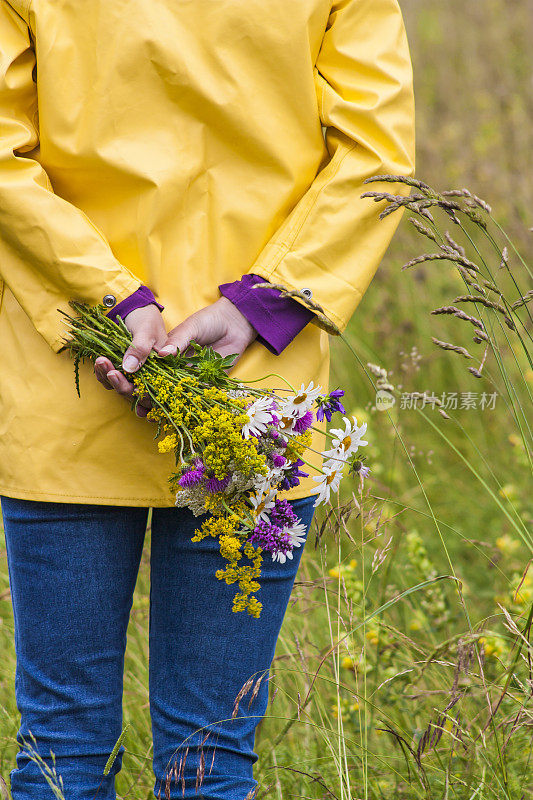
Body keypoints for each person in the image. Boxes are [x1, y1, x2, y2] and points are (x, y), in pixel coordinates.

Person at [0, 0, 415, 797]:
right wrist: (263, 302)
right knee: (209, 756)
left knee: (62, 746)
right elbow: (374, 156)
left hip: (76, 383)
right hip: (257, 391)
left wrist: (114, 301)